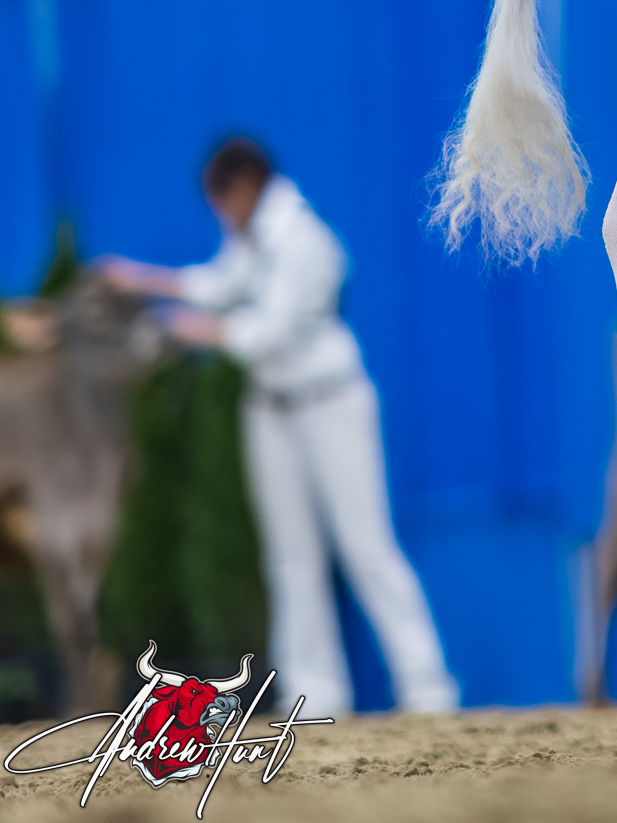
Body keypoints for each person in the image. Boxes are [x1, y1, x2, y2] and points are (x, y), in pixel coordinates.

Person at [95, 136, 457, 715]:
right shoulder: (255, 238)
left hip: (331, 402)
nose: (221, 216)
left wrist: (188, 330)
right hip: (270, 408)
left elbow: (270, 330)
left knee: (367, 547)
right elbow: (218, 284)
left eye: (220, 202)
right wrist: (143, 279)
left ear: (241, 187)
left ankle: (427, 687)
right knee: (291, 559)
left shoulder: (306, 240)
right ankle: (317, 693)